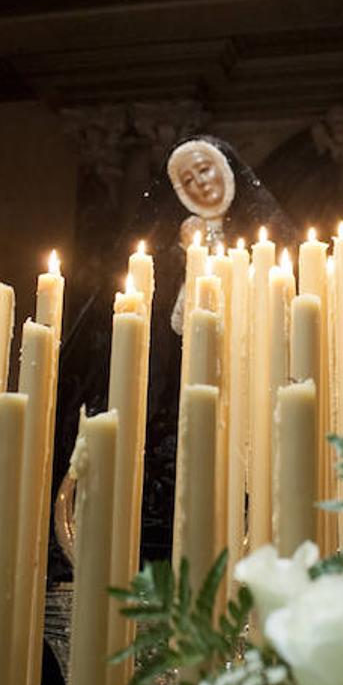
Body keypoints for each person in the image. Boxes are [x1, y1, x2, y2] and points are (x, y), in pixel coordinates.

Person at [49, 135, 296, 576]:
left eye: (206, 171)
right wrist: (186, 256)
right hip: (173, 398)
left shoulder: (270, 243)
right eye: (188, 179)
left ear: (226, 173)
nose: (201, 183)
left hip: (250, 395)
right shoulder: (167, 250)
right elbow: (152, 325)